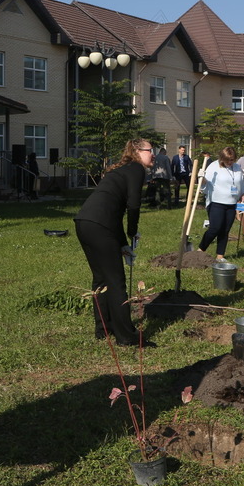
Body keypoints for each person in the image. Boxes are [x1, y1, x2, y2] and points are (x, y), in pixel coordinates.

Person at [74, 139, 155, 346]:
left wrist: (122, 244)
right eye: (150, 150)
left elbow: (114, 213)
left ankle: (104, 329)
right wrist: (133, 232)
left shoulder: (119, 170)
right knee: (116, 282)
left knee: (100, 280)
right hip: (100, 225)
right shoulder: (137, 169)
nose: (153, 154)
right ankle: (126, 337)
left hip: (84, 222)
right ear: (137, 152)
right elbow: (133, 205)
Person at [197, 146, 244, 261]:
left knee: (225, 230)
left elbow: (240, 183)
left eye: (232, 159)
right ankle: (200, 250)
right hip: (217, 202)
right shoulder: (214, 166)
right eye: (227, 160)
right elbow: (204, 184)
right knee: (215, 228)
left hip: (231, 203)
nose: (230, 162)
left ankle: (220, 255)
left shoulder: (237, 167)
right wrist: (201, 177)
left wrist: (243, 195)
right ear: (222, 158)